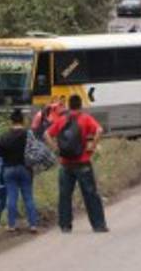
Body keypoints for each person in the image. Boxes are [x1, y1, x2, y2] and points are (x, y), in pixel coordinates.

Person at [48, 94, 109, 233]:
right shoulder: (86, 118)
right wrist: (93, 145)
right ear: (80, 105)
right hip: (83, 162)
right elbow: (99, 130)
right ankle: (98, 225)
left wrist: (56, 148)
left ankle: (65, 225)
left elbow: (46, 134)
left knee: (64, 195)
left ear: (69, 106)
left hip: (65, 164)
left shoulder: (62, 119)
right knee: (90, 194)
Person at [0, 109, 40, 233]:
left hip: (9, 169)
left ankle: (11, 225)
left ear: (11, 121)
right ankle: (33, 225)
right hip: (25, 168)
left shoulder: (4, 136)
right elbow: (35, 149)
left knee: (11, 197)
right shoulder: (28, 134)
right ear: (23, 121)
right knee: (28, 197)